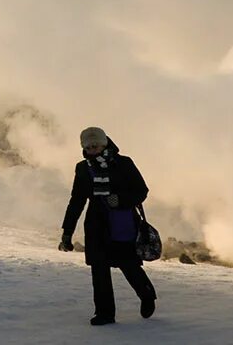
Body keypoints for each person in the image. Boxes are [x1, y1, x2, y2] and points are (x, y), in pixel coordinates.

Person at [59, 127, 157, 326]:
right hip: (96, 225)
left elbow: (141, 191)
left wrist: (120, 200)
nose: (92, 148)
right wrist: (67, 233)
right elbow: (76, 201)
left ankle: (147, 295)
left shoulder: (124, 163)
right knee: (99, 269)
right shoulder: (82, 168)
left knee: (129, 264)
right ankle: (105, 313)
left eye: (95, 145)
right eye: (88, 146)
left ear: (104, 143)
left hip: (122, 221)